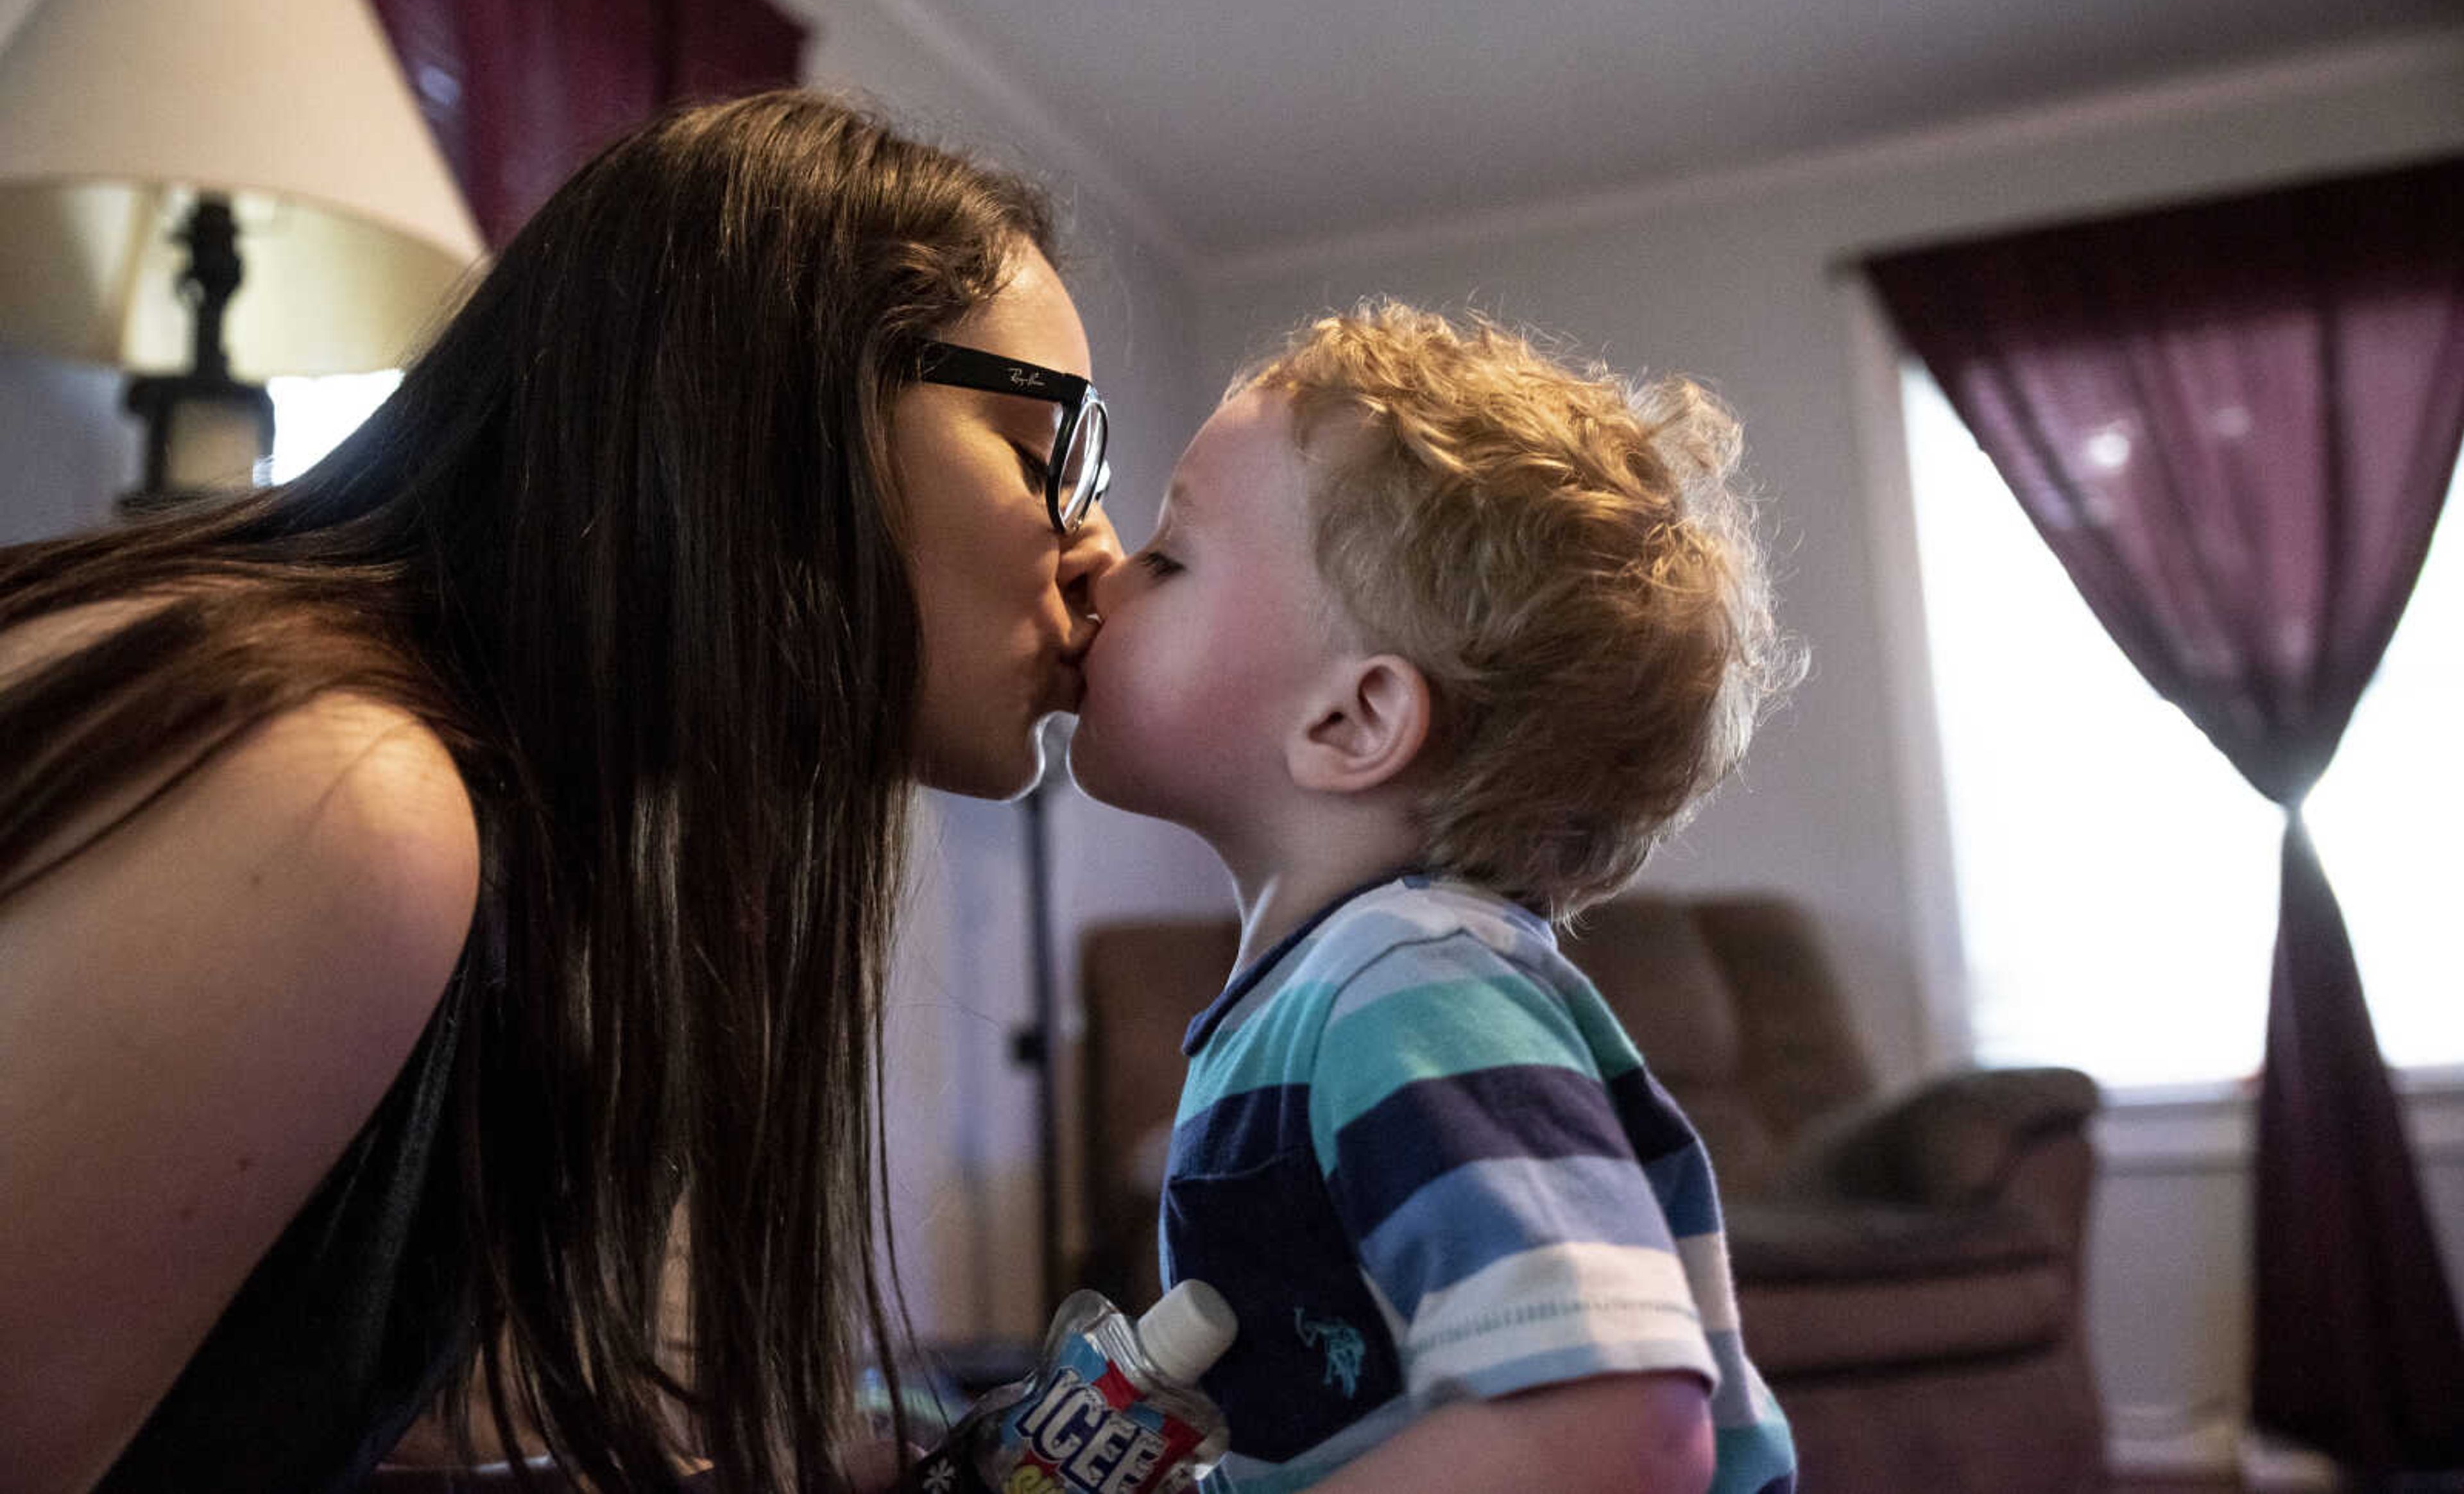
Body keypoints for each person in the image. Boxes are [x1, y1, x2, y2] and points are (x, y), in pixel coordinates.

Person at [0, 90, 1122, 1493]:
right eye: (1052, 454)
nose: (1106, 557)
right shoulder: (343, 798)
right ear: (774, 404)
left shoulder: (494, 829)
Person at [1065, 302, 1804, 1494]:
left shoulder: (1409, 983)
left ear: (1352, 720)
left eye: (1170, 556)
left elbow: (1619, 1434)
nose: (1102, 566)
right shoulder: (1336, 990)